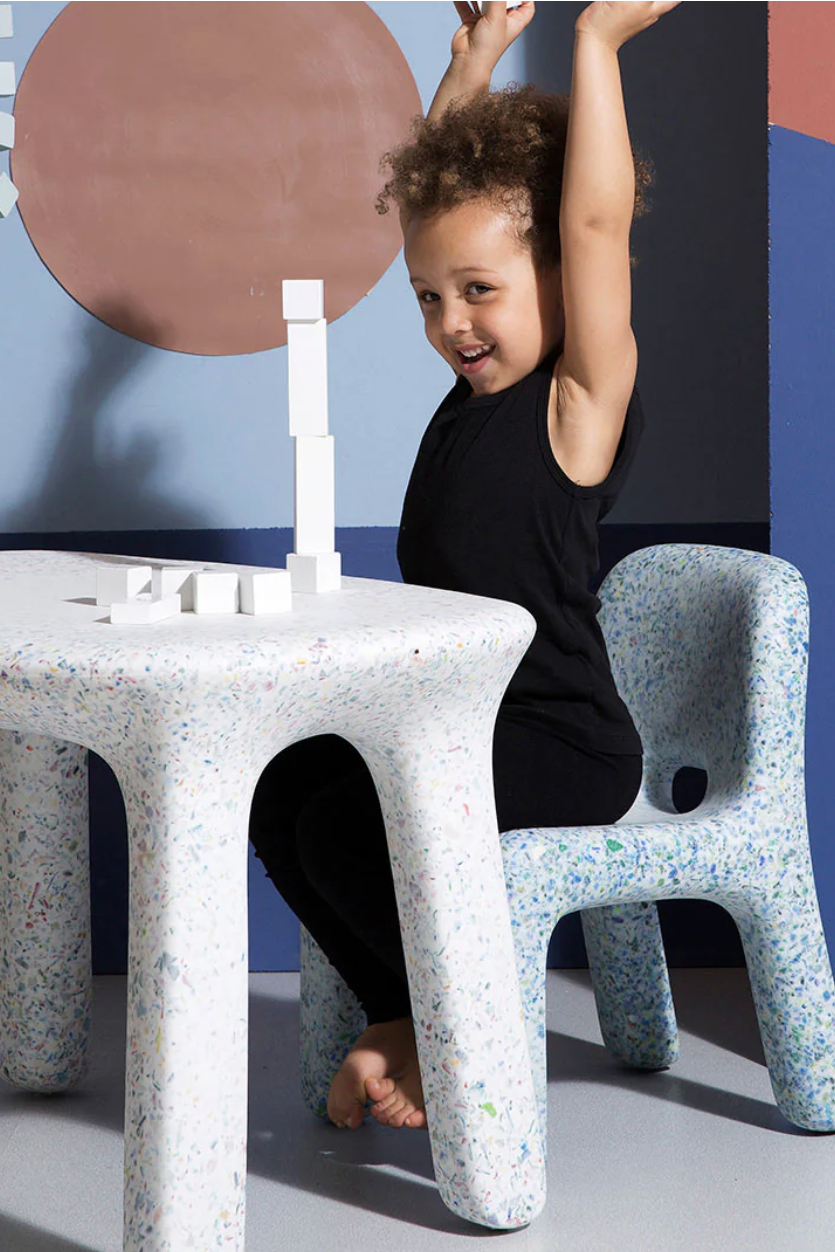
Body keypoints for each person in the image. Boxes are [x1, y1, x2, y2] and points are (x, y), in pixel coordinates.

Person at [249, 0, 681, 1133]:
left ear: (559, 275)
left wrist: (593, 43)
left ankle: (454, 1033)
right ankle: (401, 1011)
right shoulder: (471, 392)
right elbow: (430, 212)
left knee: (347, 823)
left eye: (479, 291)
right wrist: (474, 58)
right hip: (455, 718)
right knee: (283, 784)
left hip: (558, 741)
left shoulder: (575, 403)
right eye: (430, 298)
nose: (451, 322)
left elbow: (592, 222)